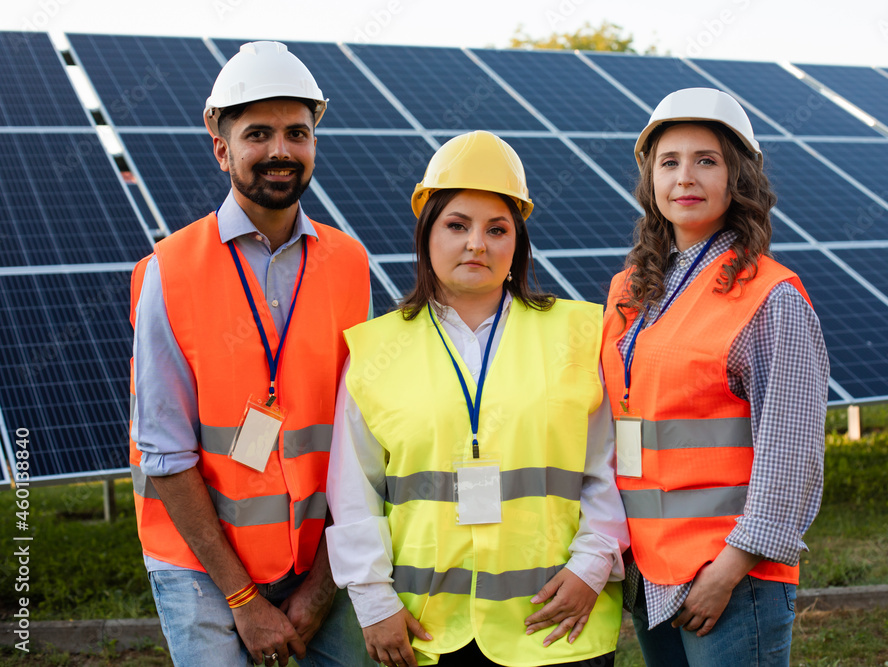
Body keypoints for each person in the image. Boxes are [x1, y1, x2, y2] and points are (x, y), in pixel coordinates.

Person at [325, 130, 628, 667]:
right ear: (426, 235)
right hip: (428, 628)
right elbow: (354, 489)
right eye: (457, 225)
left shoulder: (580, 333)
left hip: (557, 623)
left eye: (497, 229)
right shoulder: (376, 348)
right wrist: (372, 600)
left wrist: (593, 565)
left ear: (518, 242)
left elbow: (610, 464)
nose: (477, 244)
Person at [128, 41, 372, 667]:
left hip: (318, 552)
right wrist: (242, 598)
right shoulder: (171, 271)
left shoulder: (348, 264)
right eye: (257, 133)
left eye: (298, 132)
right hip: (200, 566)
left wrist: (322, 583)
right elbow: (165, 452)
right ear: (222, 149)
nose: (280, 151)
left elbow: (356, 439)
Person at [601, 88, 829, 666]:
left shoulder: (771, 295)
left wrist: (729, 568)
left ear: (739, 178)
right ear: (651, 179)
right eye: (669, 162)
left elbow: (792, 451)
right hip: (649, 569)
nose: (686, 177)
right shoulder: (630, 291)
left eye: (707, 160)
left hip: (731, 575)